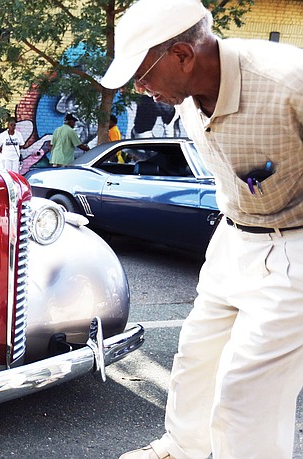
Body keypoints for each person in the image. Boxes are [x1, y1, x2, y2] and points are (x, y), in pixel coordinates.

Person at [100, 0, 303, 458]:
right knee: (197, 359)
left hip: (295, 248)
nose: (141, 87)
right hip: (232, 239)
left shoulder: (289, 80)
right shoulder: (185, 99)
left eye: (144, 72)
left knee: (249, 390)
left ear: (182, 55)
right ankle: (183, 448)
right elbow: (248, 173)